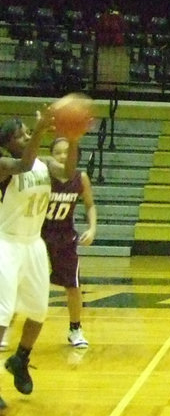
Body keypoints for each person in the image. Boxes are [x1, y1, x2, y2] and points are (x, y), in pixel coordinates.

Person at [0, 110, 80, 409]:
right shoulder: (5, 165)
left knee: (38, 311)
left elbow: (69, 173)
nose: (25, 137)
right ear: (8, 142)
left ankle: (20, 359)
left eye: (26, 133)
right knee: (3, 312)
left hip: (34, 243)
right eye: (19, 135)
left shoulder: (45, 164)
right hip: (6, 244)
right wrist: (40, 131)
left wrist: (72, 140)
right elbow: (22, 164)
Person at [43, 136, 98, 348]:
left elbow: (90, 205)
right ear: (51, 156)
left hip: (65, 236)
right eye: (58, 152)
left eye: (67, 151)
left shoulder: (80, 178)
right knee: (18, 282)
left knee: (73, 285)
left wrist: (92, 228)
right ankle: (6, 327)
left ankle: (75, 329)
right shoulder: (44, 175)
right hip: (39, 234)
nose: (63, 156)